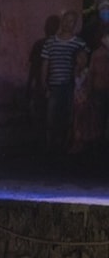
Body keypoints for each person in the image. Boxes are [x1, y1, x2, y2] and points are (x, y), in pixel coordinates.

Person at [39, 11, 90, 156]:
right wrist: (44, 85)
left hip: (71, 86)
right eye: (66, 20)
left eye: (72, 21)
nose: (68, 24)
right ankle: (50, 148)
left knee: (69, 117)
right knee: (51, 117)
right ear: (62, 22)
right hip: (54, 86)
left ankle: (64, 147)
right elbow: (45, 65)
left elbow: (84, 63)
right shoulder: (50, 42)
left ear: (75, 24)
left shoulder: (79, 43)